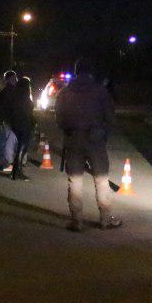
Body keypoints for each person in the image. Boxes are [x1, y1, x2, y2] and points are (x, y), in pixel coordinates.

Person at [55, 60, 121, 231]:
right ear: (90, 72)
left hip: (73, 139)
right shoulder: (101, 91)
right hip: (95, 140)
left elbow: (59, 118)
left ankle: (77, 221)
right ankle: (105, 219)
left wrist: (69, 129)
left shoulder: (65, 92)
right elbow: (110, 117)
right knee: (101, 179)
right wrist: (103, 131)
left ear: (76, 72)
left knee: (75, 180)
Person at [2, 73, 36, 180]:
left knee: (18, 148)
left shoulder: (15, 95)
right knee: (21, 148)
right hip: (24, 124)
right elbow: (27, 112)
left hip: (16, 124)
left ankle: (16, 171)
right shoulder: (24, 96)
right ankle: (17, 172)